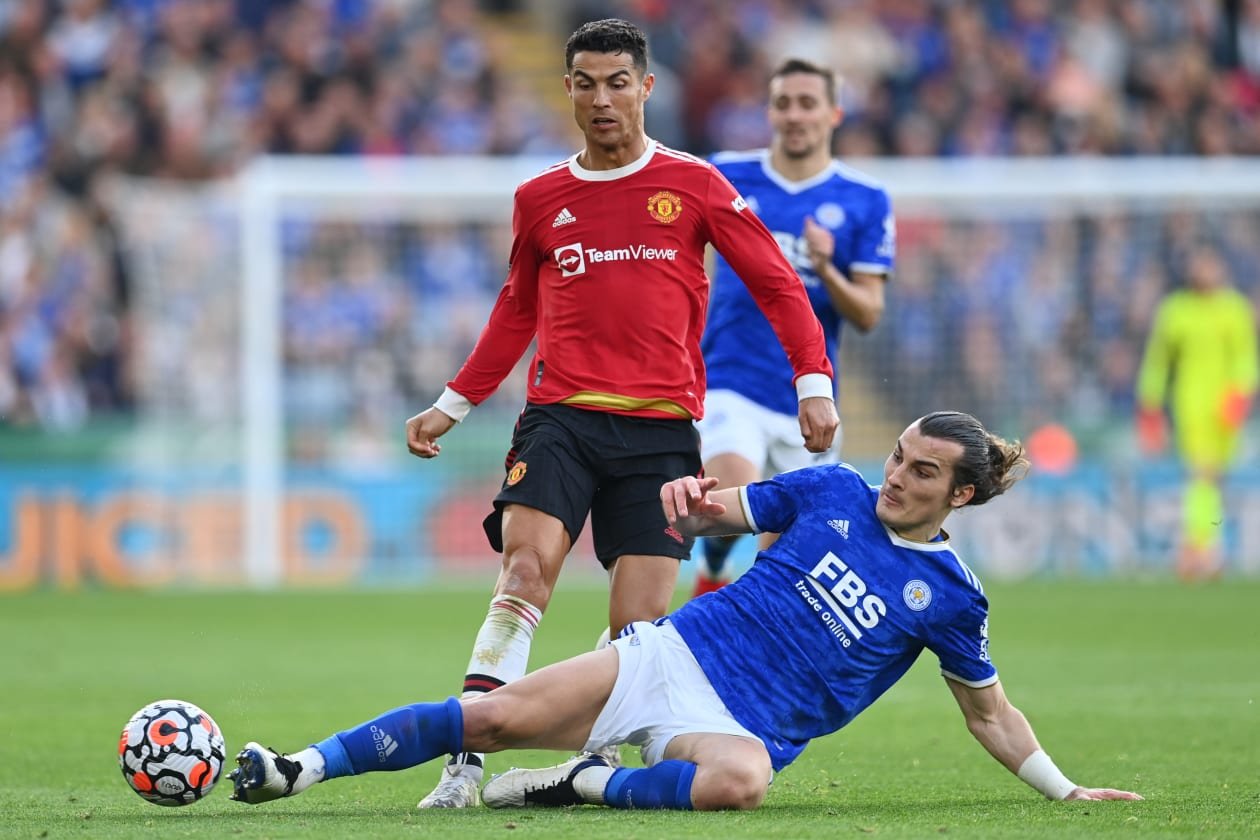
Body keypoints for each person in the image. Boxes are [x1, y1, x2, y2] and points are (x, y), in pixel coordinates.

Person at [230, 411, 1142, 812]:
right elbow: (723, 513)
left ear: (964, 495)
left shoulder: (951, 598)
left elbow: (990, 713)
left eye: (922, 472)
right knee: (494, 718)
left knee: (743, 783)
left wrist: (1064, 789)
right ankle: (298, 770)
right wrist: (692, 502)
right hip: (672, 656)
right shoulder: (831, 488)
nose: (897, 476)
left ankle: (582, 785)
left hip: (737, 732)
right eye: (899, 456)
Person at [402, 18, 839, 807]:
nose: (601, 99)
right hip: (561, 419)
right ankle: (462, 764)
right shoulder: (540, 198)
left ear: (646, 87)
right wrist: (453, 404)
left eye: (616, 83)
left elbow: (776, 281)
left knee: (638, 630)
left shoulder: (695, 184)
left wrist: (814, 382)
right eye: (586, 84)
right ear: (568, 89)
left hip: (661, 435)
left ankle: (583, 766)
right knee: (523, 573)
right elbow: (515, 310)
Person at [692, 57, 893, 597]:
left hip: (810, 396)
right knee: (724, 506)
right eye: (783, 103)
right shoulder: (725, 175)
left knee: (782, 560)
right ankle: (709, 579)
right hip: (730, 378)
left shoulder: (864, 198)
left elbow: (868, 313)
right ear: (770, 112)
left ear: (834, 114)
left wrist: (826, 269)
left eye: (808, 103)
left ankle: (728, 610)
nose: (795, 115)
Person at [1136, 244, 1258, 580]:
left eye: (1209, 262)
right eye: (1199, 262)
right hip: (1191, 404)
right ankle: (1202, 551)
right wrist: (1150, 404)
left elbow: (1246, 357)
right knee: (1201, 474)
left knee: (1212, 478)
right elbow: (1158, 361)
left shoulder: (1234, 308)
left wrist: (1240, 393)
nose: (1204, 269)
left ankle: (1204, 547)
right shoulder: (1176, 310)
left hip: (1226, 408)